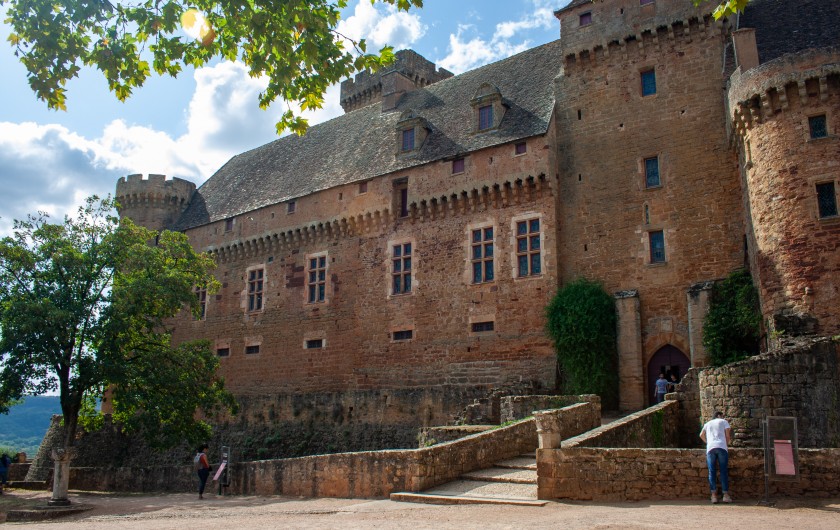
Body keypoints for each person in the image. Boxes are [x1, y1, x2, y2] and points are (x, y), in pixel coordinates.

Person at [700, 411, 732, 504]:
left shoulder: (707, 423)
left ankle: (713, 495)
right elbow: (727, 435)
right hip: (721, 446)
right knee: (723, 471)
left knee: (712, 471)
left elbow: (701, 435)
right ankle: (725, 495)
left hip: (710, 448)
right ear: (719, 416)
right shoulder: (723, 421)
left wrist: (708, 442)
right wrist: (726, 444)